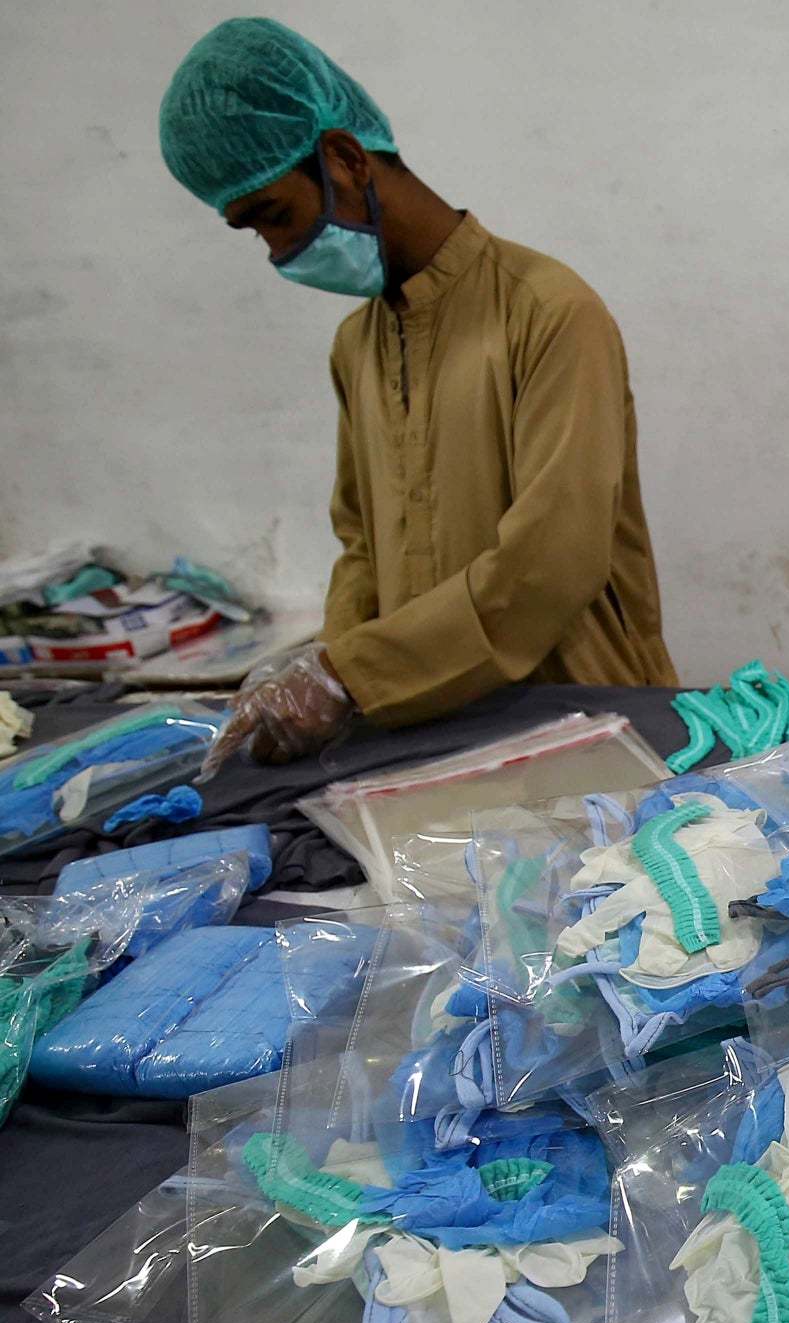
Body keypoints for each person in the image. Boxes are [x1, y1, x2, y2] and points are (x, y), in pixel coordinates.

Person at [158, 19, 677, 773]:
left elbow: (549, 565)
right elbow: (361, 546)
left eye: (273, 213)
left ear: (341, 157)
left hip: (583, 729)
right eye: (250, 230)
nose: (276, 251)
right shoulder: (357, 344)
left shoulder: (549, 312)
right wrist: (328, 665)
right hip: (423, 733)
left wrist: (350, 676)